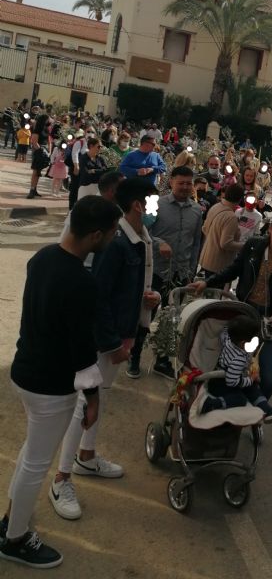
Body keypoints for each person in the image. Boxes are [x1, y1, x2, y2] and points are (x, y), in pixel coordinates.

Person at [0, 196, 121, 569]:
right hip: (50, 385)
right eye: (112, 233)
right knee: (37, 462)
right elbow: (83, 349)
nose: (113, 239)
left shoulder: (43, 257)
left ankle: (11, 521)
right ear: (95, 234)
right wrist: (94, 396)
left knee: (30, 455)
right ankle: (15, 538)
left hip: (26, 371)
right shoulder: (81, 282)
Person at [49, 179, 159, 520]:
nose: (159, 204)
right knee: (84, 404)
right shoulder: (117, 242)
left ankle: (87, 457)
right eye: (155, 199)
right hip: (103, 338)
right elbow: (99, 297)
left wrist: (144, 299)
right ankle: (61, 479)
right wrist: (112, 342)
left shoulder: (138, 239)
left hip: (118, 334)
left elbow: (122, 290)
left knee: (99, 400)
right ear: (139, 205)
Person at [192, 211, 272, 402]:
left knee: (267, 378)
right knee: (235, 367)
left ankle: (255, 409)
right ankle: (234, 405)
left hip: (271, 324)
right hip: (245, 317)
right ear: (269, 229)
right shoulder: (253, 246)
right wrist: (208, 282)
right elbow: (234, 269)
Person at [128, 166, 202, 379]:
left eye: (189, 183)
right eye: (181, 182)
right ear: (171, 182)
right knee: (146, 316)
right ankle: (134, 357)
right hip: (155, 271)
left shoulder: (197, 211)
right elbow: (142, 231)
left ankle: (162, 360)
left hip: (180, 274)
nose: (185, 187)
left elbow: (196, 243)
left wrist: (191, 270)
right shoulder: (154, 204)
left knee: (171, 319)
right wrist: (159, 243)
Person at [202, 316, 272, 423]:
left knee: (252, 388)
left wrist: (227, 326)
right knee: (240, 398)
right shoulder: (238, 359)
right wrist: (251, 379)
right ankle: (212, 403)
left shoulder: (229, 341)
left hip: (230, 378)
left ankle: (267, 410)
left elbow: (224, 334)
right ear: (244, 343)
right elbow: (232, 381)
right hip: (221, 385)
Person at [199, 182, 244, 279]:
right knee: (216, 292)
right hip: (218, 264)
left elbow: (204, 228)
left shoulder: (215, 206)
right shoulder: (230, 216)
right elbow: (226, 244)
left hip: (206, 258)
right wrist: (244, 245)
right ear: (240, 199)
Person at [26, 104, 54, 199]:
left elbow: (49, 140)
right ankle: (32, 190)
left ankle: (35, 189)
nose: (49, 121)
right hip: (38, 150)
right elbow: (34, 141)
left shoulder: (46, 129)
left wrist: (49, 152)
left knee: (38, 172)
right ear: (44, 120)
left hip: (44, 150)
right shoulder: (37, 129)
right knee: (35, 171)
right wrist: (41, 151)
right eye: (48, 120)